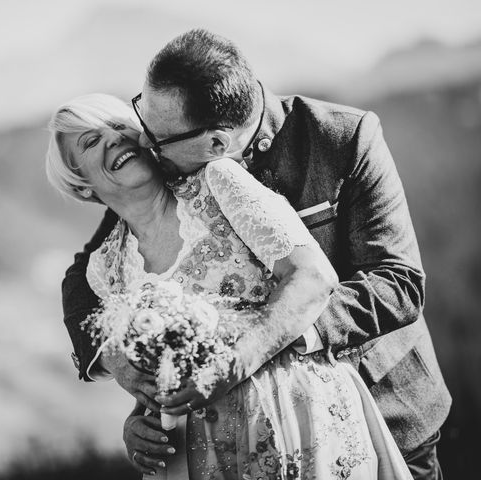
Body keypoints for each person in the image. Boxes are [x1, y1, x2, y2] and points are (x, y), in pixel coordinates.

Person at [59, 29, 451, 480]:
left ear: (217, 146)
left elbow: (398, 283)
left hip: (389, 407)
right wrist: (132, 381)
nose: (142, 143)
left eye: (156, 136)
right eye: (140, 116)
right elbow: (86, 276)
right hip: (245, 446)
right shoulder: (169, 167)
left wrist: (265, 343)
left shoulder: (343, 138)